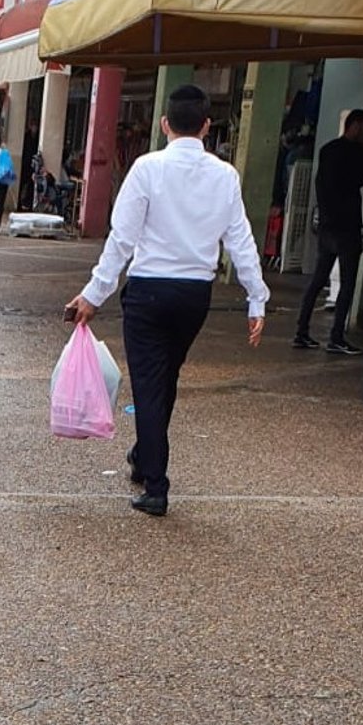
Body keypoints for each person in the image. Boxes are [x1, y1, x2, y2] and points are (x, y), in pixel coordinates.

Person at [64, 84, 269, 518]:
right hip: (194, 296)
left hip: (149, 292)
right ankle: (143, 455)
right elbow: (240, 240)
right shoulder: (225, 176)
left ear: (164, 124)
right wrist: (256, 297)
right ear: (208, 127)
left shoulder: (147, 169)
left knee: (151, 385)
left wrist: (94, 294)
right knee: (165, 378)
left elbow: (122, 239)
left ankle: (156, 485)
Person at [293, 109, 363, 355]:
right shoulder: (359, 153)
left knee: (318, 279)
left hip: (327, 225)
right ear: (356, 127)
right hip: (347, 226)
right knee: (348, 282)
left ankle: (301, 331)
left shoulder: (328, 150)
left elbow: (323, 185)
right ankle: (336, 337)